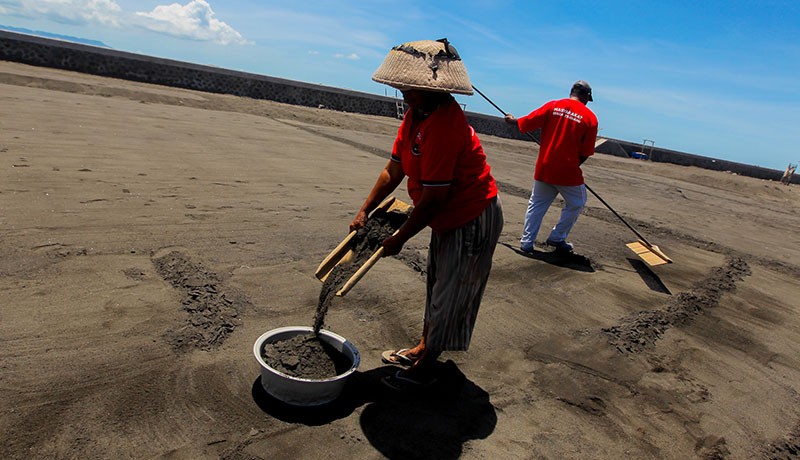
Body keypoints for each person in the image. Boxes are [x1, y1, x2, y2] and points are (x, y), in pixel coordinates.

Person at [350, 38, 503, 390]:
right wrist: (364, 209)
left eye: (410, 89)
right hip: (445, 216)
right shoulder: (416, 115)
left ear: (433, 88)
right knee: (437, 283)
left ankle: (428, 366)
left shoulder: (445, 124)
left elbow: (434, 199)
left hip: (471, 215)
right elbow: (394, 168)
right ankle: (423, 345)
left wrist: (399, 238)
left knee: (452, 291)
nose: (404, 94)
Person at [504, 81, 598, 254]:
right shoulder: (590, 118)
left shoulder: (553, 105)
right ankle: (557, 237)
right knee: (577, 203)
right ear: (586, 96)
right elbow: (586, 152)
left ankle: (526, 242)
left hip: (545, 167)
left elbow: (528, 122)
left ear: (572, 92)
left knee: (537, 204)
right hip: (568, 172)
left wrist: (512, 120)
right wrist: (572, 165)